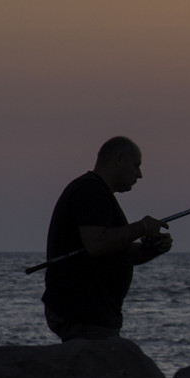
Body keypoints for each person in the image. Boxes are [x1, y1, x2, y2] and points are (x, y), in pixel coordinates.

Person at [42, 136, 172, 341]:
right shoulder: (90, 190)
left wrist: (152, 249)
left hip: (95, 314)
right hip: (84, 314)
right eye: (136, 165)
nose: (139, 174)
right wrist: (142, 227)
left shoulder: (96, 192)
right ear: (119, 159)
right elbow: (96, 244)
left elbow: (114, 249)